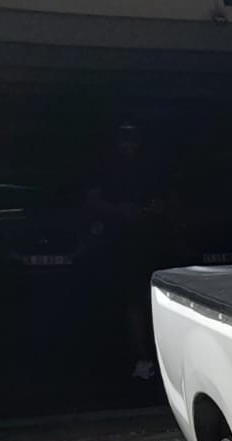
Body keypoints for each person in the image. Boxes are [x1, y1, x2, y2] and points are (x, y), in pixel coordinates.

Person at [88, 122, 163, 381]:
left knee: (145, 299)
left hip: (148, 243)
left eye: (133, 140)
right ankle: (134, 355)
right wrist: (119, 210)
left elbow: (168, 200)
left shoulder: (150, 168)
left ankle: (149, 355)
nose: (129, 145)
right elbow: (93, 199)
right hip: (117, 243)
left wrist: (153, 210)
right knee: (125, 300)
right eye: (124, 140)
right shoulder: (105, 168)